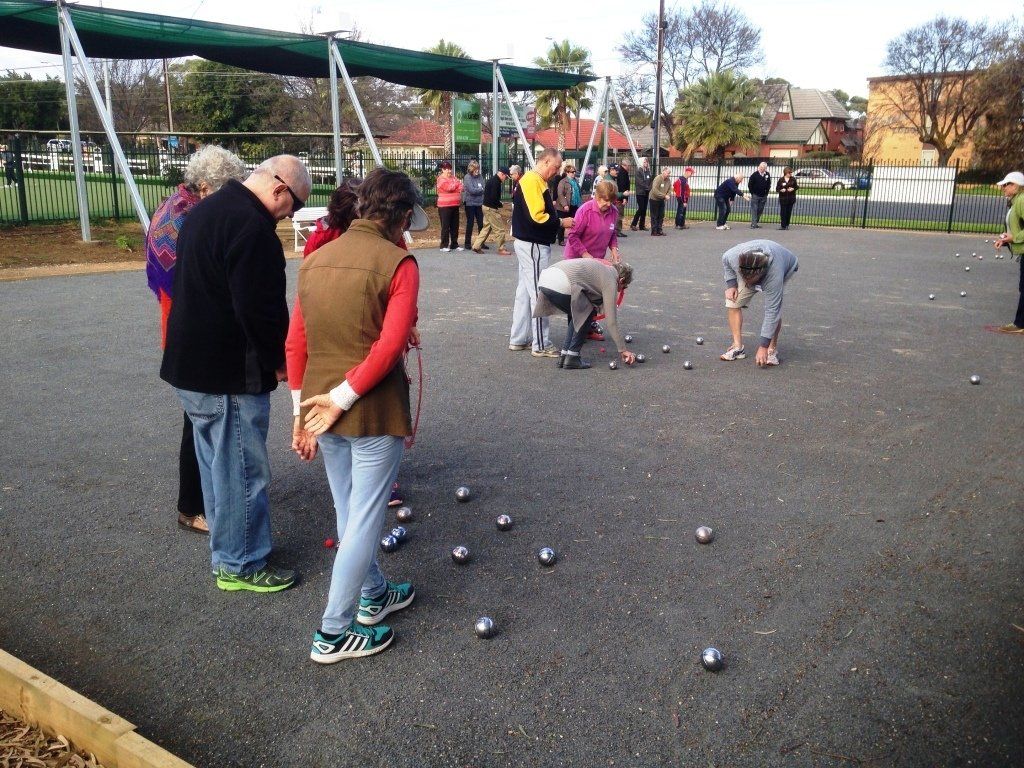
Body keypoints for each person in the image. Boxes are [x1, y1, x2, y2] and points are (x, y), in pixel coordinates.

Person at [160, 155, 311, 592]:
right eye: (294, 206)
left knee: (216, 466)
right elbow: (259, 308)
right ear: (280, 188)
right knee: (242, 469)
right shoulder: (252, 228)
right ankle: (241, 563)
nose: (291, 216)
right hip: (227, 371)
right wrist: (280, 360)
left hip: (191, 365)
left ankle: (229, 550)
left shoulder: (204, 210)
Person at [291, 168, 422, 663]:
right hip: (369, 409)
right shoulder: (399, 262)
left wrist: (302, 413)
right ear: (402, 216)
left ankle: (374, 594)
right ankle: (332, 631)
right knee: (363, 518)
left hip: (322, 409)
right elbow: (388, 347)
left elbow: (296, 342)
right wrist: (344, 397)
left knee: (349, 511)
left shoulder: (316, 258)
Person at [145, 145, 247, 536]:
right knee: (199, 419)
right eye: (223, 189)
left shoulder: (179, 203)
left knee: (203, 416)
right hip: (188, 326)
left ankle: (212, 494)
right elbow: (191, 277)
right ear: (204, 184)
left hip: (185, 322)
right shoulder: (187, 213)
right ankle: (191, 506)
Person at [508, 148, 574, 358]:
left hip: (528, 243)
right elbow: (537, 216)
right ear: (545, 162)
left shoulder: (534, 181)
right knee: (539, 293)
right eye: (555, 167)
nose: (556, 172)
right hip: (534, 244)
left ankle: (519, 339)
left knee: (524, 293)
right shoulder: (532, 181)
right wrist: (561, 222)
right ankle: (541, 343)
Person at [534, 259, 636, 370]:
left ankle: (565, 355)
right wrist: (623, 349)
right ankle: (572, 356)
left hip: (546, 278)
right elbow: (611, 322)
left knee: (580, 310)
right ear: (622, 280)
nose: (620, 290)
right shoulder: (611, 279)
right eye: (624, 287)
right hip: (561, 283)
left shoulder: (602, 269)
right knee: (588, 310)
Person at [719, 240, 799, 367]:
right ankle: (737, 347)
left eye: (752, 280)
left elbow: (772, 311)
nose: (748, 282)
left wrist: (763, 346)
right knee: (732, 301)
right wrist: (732, 285)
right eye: (744, 277)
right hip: (752, 269)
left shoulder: (774, 275)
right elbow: (725, 260)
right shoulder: (733, 257)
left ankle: (771, 349)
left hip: (786, 265)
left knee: (774, 308)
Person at [993, 171, 1024, 334]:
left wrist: (1014, 238)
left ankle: (1020, 324)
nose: (1003, 188)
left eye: (1006, 185)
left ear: (1015, 186)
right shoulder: (1016, 201)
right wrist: (1005, 239)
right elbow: (1017, 227)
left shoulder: (1022, 200)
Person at [564, 180, 620, 263]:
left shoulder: (614, 212)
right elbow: (573, 236)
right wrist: (584, 254)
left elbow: (612, 233)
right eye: (606, 200)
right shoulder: (585, 211)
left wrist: (614, 249)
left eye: (611, 201)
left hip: (597, 259)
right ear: (598, 197)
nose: (609, 204)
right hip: (576, 258)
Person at [473, 166, 511, 255]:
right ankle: (501, 249)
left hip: (486, 207)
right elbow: (494, 197)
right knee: (499, 229)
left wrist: (498, 203)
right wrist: (500, 204)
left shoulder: (493, 180)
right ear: (502, 174)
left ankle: (476, 246)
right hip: (491, 208)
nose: (506, 179)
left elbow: (491, 196)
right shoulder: (496, 182)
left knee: (486, 228)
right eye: (506, 177)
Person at [436, 161, 462, 252]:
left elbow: (461, 187)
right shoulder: (440, 179)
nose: (449, 171)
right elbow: (448, 188)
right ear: (442, 169)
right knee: (445, 226)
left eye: (450, 169)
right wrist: (456, 185)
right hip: (444, 206)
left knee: (455, 226)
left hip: (455, 205)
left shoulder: (453, 178)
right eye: (446, 169)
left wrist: (456, 185)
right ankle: (443, 245)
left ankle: (454, 244)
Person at [462, 160, 485, 251]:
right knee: (470, 223)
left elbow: (484, 187)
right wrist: (480, 190)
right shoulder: (467, 177)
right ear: (471, 170)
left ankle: (481, 243)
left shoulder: (480, 177)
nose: (477, 171)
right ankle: (467, 243)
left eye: (478, 169)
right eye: (475, 170)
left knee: (481, 224)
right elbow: (471, 190)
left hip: (480, 203)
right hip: (470, 204)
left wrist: (479, 190)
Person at [555, 164, 579, 246]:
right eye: (572, 172)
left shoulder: (576, 181)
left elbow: (578, 193)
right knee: (562, 222)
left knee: (574, 223)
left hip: (574, 205)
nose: (573, 173)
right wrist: (565, 205)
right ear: (567, 172)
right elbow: (560, 194)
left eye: (574, 172)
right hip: (563, 206)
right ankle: (561, 240)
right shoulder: (563, 181)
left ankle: (572, 239)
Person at [648, 166, 672, 236]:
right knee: (654, 215)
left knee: (661, 215)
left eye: (669, 173)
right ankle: (654, 231)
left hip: (661, 200)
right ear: (663, 172)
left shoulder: (668, 180)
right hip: (654, 199)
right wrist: (664, 196)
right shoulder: (658, 178)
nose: (669, 174)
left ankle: (659, 230)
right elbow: (655, 190)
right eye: (668, 173)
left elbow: (670, 188)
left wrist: (668, 195)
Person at [630, 157, 652, 231]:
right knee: (641, 208)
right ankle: (633, 224)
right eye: (644, 162)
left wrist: (650, 187)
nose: (646, 163)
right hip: (640, 192)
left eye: (647, 162)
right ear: (641, 163)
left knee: (644, 209)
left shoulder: (648, 171)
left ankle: (642, 225)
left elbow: (650, 181)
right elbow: (640, 182)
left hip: (646, 192)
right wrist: (647, 187)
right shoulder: (638, 171)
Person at [748, 162, 771, 229]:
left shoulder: (767, 174)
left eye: (763, 168)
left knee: (760, 210)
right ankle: (754, 224)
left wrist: (766, 193)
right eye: (760, 167)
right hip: (755, 195)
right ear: (759, 167)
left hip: (763, 195)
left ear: (765, 168)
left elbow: (769, 184)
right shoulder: (754, 175)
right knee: (754, 210)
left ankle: (756, 222)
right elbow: (750, 185)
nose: (761, 169)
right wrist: (752, 193)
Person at [612, 162, 630, 237]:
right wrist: (624, 198)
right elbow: (622, 186)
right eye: (628, 165)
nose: (629, 167)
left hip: (621, 196)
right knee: (619, 214)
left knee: (619, 214)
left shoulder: (623, 172)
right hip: (620, 198)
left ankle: (618, 230)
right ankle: (617, 231)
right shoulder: (623, 173)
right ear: (624, 165)